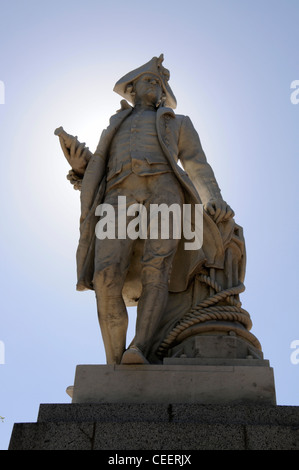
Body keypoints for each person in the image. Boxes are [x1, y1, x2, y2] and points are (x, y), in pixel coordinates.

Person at [56, 55, 236, 365]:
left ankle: (139, 348)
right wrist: (79, 166)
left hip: (164, 189)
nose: (155, 86)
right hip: (118, 194)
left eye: (159, 83)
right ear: (132, 89)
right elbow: (98, 167)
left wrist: (213, 197)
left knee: (158, 270)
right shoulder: (114, 124)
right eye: (148, 81)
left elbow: (196, 163)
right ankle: (113, 362)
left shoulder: (178, 123)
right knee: (105, 275)